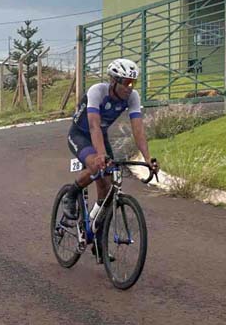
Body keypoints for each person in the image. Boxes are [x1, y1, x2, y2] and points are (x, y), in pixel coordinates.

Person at [62, 58, 158, 222]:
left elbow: (138, 129)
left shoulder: (132, 97)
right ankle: (71, 195)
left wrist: (147, 158)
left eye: (133, 83)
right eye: (127, 82)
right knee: (95, 165)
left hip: (101, 134)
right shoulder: (97, 91)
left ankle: (96, 223)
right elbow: (94, 126)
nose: (130, 88)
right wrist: (100, 155)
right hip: (80, 134)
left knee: (108, 184)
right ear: (114, 81)